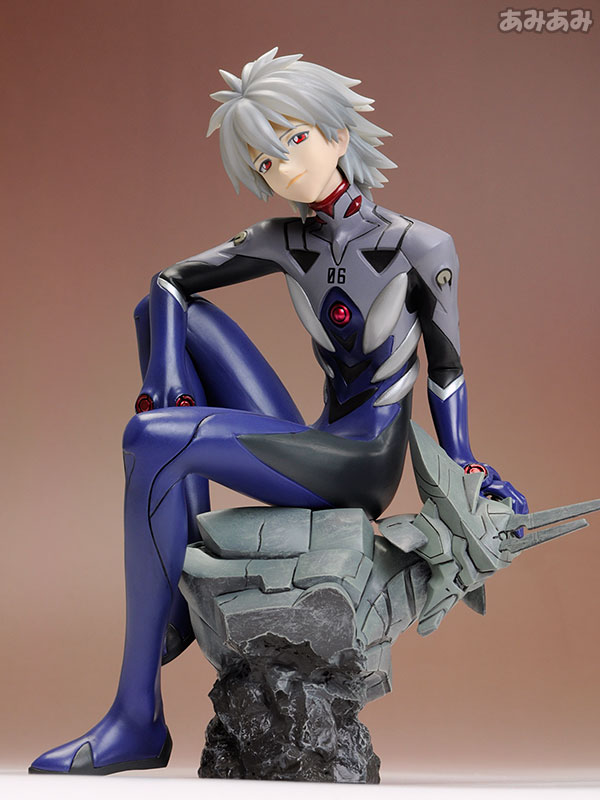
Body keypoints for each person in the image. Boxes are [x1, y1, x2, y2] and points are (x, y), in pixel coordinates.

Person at [30, 47, 527, 776]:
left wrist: (467, 465)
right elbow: (168, 283)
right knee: (161, 320)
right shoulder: (281, 240)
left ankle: (137, 716)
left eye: (293, 140)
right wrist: (165, 378)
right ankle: (175, 572)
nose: (283, 167)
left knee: (151, 438)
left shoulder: (418, 246)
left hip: (362, 462)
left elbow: (446, 372)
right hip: (316, 437)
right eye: (265, 161)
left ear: (339, 135)